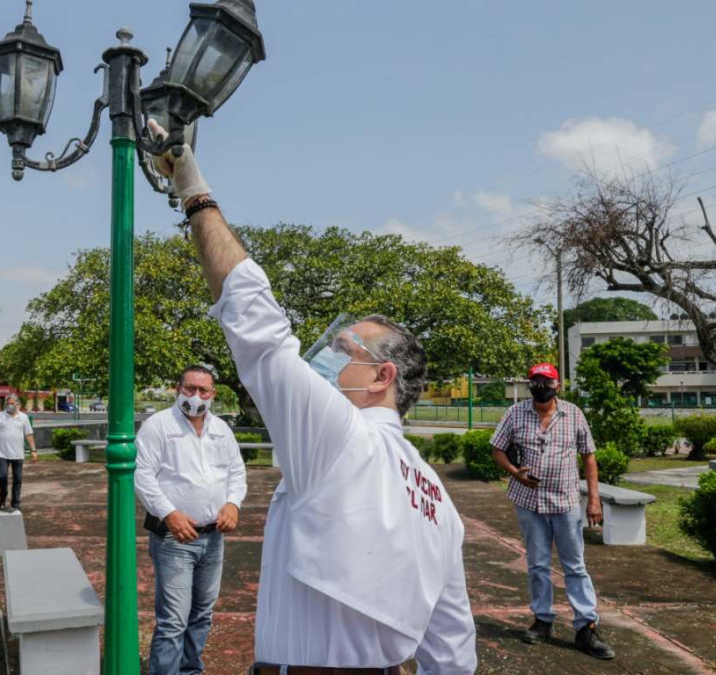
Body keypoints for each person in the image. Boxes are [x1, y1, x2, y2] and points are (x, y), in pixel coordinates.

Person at [148, 120, 476, 674]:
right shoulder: (436, 497)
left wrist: (194, 192)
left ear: (381, 377)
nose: (327, 358)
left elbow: (260, 331)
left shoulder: (344, 440)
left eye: (345, 349)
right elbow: (453, 645)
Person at [489, 363, 615, 660]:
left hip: (566, 502)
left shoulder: (573, 414)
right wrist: (514, 471)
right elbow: (497, 449)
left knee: (575, 566)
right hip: (529, 502)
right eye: (535, 381)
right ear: (529, 384)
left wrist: (593, 500)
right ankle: (542, 620)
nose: (541, 386)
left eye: (546, 381)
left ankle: (586, 626)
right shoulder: (515, 413)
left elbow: (589, 456)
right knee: (537, 564)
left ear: (557, 384)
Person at [134, 365, 247, 675]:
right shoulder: (158, 426)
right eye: (190, 389)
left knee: (202, 614)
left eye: (204, 390)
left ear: (213, 394)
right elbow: (143, 476)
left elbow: (236, 472)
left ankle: (190, 670)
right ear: (177, 388)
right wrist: (168, 512)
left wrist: (232, 503)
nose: (196, 396)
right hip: (174, 539)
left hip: (213, 538)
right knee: (173, 620)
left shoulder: (221, 429)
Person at [0, 394, 37, 512]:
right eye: (9, 403)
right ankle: (3, 497)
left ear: (18, 404)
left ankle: (16, 503)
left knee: (18, 479)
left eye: (13, 403)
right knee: (2, 476)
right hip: (2, 453)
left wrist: (33, 450)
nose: (10, 405)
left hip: (18, 454)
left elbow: (29, 435)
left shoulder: (23, 418)